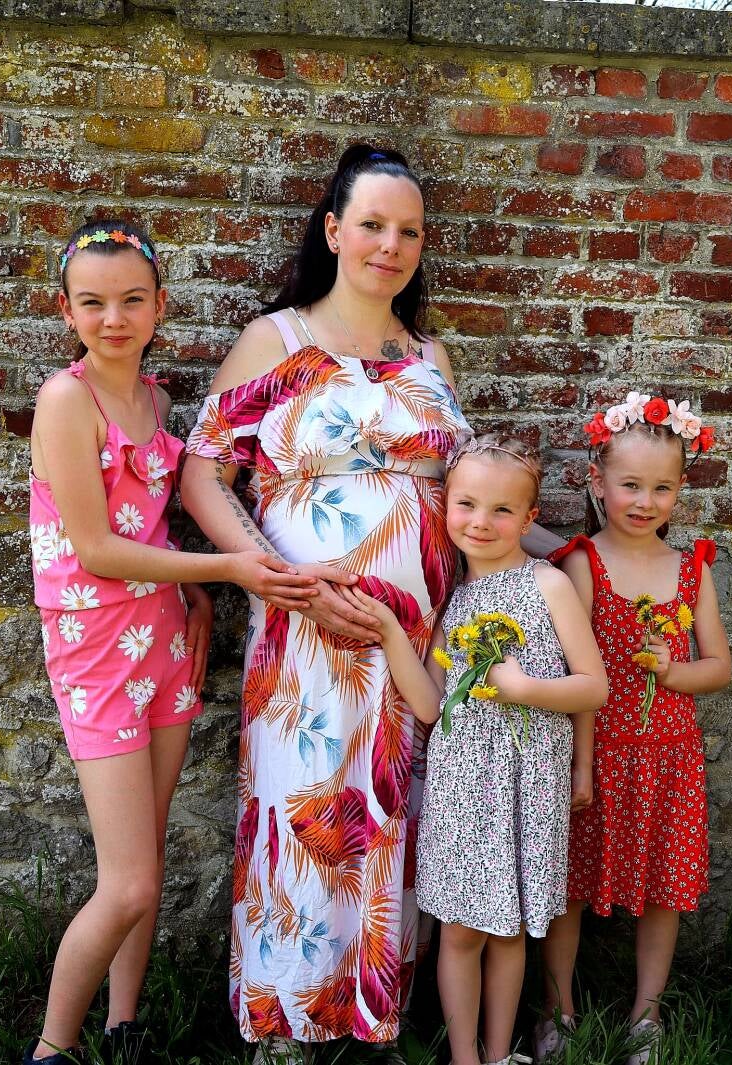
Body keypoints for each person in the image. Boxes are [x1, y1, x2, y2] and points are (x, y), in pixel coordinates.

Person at [180, 144, 475, 1060]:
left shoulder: (430, 356)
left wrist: (572, 558)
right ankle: (283, 1022)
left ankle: (370, 1011)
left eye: (409, 231)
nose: (391, 245)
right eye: (373, 225)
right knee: (301, 811)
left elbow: (468, 494)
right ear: (334, 230)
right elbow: (203, 471)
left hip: (413, 639)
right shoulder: (278, 341)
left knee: (389, 809)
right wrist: (273, 573)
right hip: (304, 629)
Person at [24, 220, 324, 1065]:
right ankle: (49, 1048)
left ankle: (124, 1027)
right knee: (128, 883)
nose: (113, 318)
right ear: (66, 311)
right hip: (95, 656)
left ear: (160, 304)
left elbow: (148, 524)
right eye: (92, 303)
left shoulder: (156, 403)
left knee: (148, 857)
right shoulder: (66, 402)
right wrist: (225, 567)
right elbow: (96, 548)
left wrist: (191, 591)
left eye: (131, 300)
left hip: (161, 643)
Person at [341, 433, 608, 1065]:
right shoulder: (453, 602)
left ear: (530, 517)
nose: (481, 522)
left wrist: (525, 688)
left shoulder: (548, 584)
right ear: (446, 507)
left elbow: (593, 686)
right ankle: (464, 1056)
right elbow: (431, 705)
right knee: (460, 931)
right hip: (462, 784)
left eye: (502, 510)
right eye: (466, 504)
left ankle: (497, 1053)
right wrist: (390, 631)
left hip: (527, 782)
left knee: (508, 930)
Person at [536, 394, 731, 1065]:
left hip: (669, 756)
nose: (645, 502)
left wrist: (674, 672)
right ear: (597, 482)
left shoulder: (690, 568)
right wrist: (581, 764)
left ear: (680, 490)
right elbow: (578, 673)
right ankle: (558, 1008)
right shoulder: (583, 563)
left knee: (662, 889)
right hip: (598, 751)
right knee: (570, 885)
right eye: (630, 485)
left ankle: (647, 1013)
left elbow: (719, 666)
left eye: (662, 488)